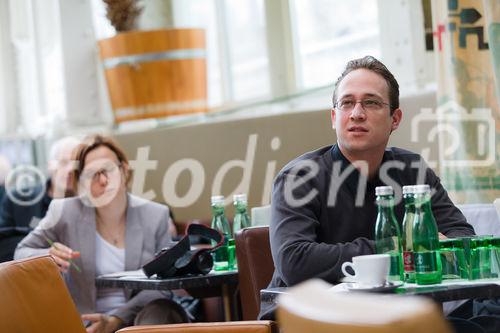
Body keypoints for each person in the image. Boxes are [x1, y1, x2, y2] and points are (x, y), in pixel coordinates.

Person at [260, 56, 475, 319]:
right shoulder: (300, 177)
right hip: (314, 320)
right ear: (333, 117)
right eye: (347, 103)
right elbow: (295, 262)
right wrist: (399, 249)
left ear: (395, 119)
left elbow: (463, 241)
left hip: (399, 316)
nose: (357, 113)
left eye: (371, 102)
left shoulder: (411, 170)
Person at [15, 134, 186, 333]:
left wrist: (116, 319)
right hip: (86, 322)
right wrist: (47, 256)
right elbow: (22, 251)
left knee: (160, 312)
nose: (103, 180)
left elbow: (163, 285)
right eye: (92, 174)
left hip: (139, 319)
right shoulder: (64, 211)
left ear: (124, 169)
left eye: (109, 170)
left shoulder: (155, 215)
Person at [0, 136, 80, 263]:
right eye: (64, 162)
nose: (70, 170)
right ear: (50, 165)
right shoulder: (18, 200)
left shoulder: (91, 208)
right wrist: (42, 252)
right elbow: (3, 246)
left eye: (77, 164)